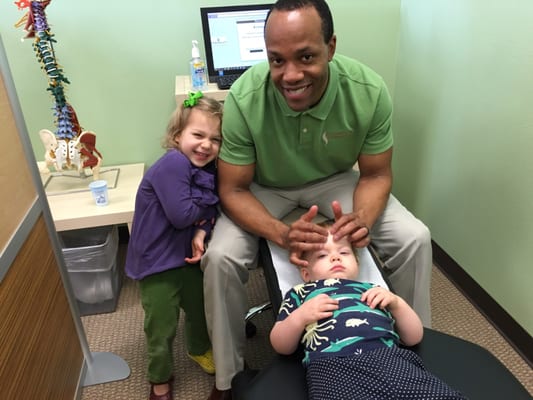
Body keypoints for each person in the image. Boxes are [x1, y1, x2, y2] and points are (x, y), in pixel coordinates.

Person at [201, 1, 432, 398]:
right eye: (276, 60)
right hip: (264, 186)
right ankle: (228, 377)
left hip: (336, 181)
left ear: (331, 46)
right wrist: (280, 232)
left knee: (414, 238)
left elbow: (376, 174)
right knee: (220, 257)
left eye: (306, 56)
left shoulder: (368, 89)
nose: (290, 75)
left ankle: (418, 350)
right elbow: (232, 189)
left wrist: (363, 217)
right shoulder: (243, 97)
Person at [270, 222, 466, 399]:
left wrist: (397, 304)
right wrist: (300, 317)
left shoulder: (373, 289)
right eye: (322, 255)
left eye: (344, 252)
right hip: (333, 367)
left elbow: (414, 337)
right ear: (306, 274)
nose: (336, 257)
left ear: (356, 263)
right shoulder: (302, 292)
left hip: (390, 360)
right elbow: (281, 345)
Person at [125, 92, 223, 400]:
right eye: (198, 135)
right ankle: (159, 377)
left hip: (185, 257)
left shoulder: (204, 169)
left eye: (215, 139)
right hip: (157, 264)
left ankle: (198, 349)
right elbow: (183, 216)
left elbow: (207, 213)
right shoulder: (173, 164)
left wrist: (202, 230)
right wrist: (203, 216)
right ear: (177, 135)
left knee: (198, 310)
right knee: (161, 326)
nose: (206, 145)